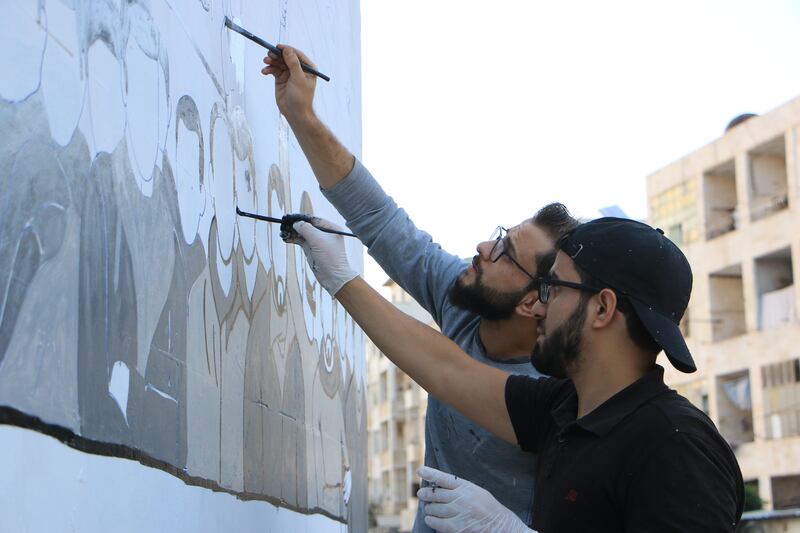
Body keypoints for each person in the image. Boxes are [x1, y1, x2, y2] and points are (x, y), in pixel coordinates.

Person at [260, 46, 578, 529]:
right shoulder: (466, 299)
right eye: (498, 236)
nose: (482, 249)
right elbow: (379, 219)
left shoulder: (559, 394)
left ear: (537, 300)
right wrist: (302, 115)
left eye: (505, 252)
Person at [285, 216, 745, 532]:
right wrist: (341, 277)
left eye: (553, 288)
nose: (538, 306)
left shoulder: (675, 445)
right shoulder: (563, 412)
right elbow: (447, 369)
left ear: (602, 307)